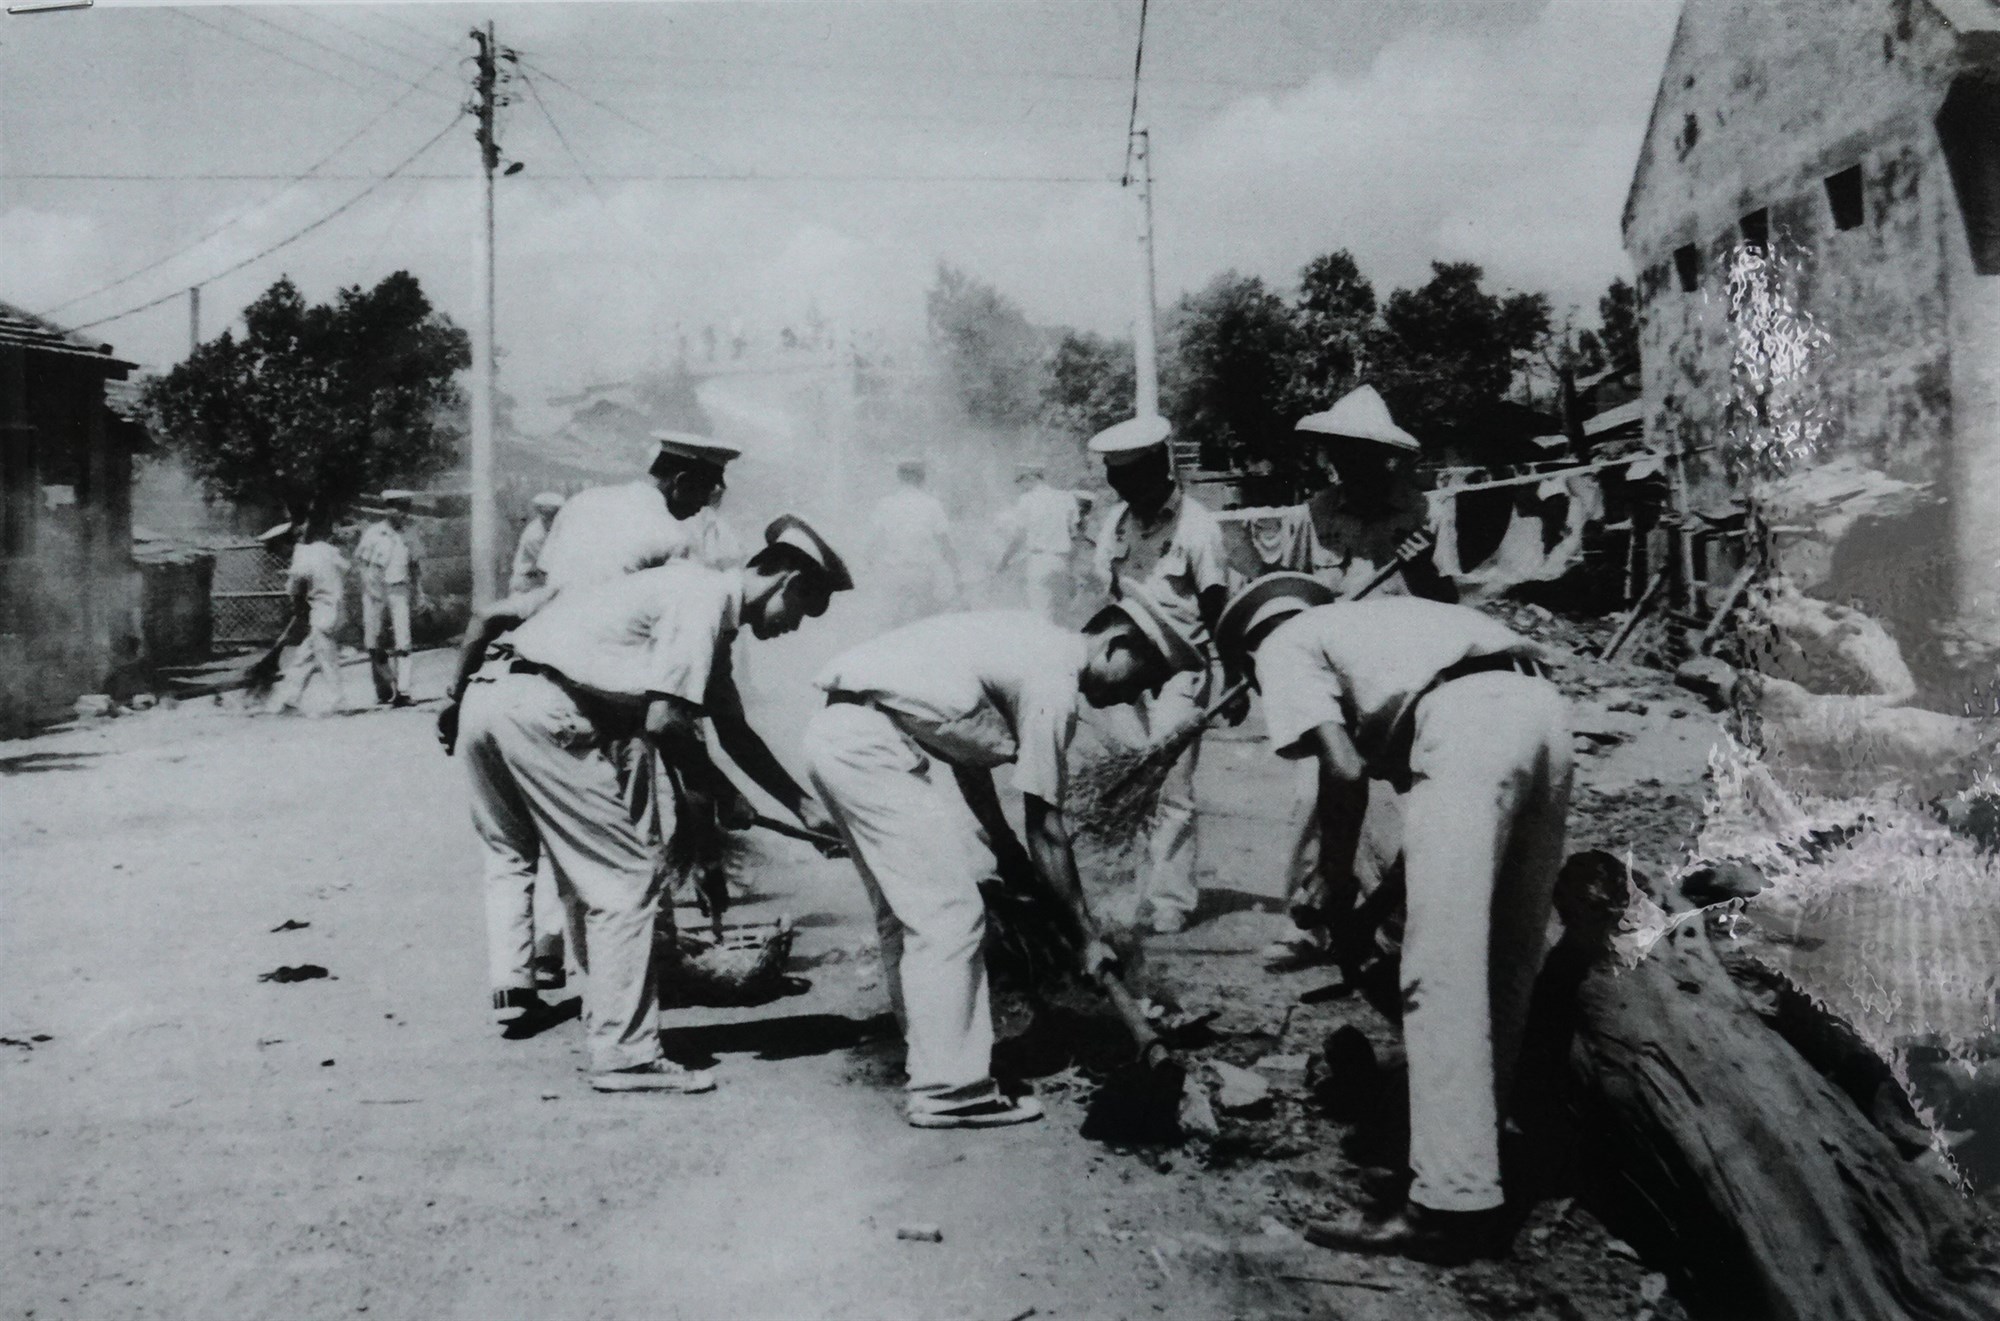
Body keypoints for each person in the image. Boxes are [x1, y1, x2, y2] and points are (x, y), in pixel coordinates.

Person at [1216, 573, 1571, 1263]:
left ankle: (1439, 1209)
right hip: (1544, 708)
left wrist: (1337, 878)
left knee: (1439, 973)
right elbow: (1428, 830)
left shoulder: (1282, 646)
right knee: (1504, 960)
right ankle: (1474, 1168)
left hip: (1468, 723)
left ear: (1246, 653)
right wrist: (1370, 907)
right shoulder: (1378, 629)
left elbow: (1342, 771)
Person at [437, 515, 851, 1092]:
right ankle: (625, 1056)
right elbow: (665, 724)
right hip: (540, 710)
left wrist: (805, 807)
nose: (794, 628)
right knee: (627, 879)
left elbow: (734, 731)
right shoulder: (703, 603)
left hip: (493, 695)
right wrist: (724, 792)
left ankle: (604, 1013)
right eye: (803, 611)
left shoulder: (700, 598)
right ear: (787, 581)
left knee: (577, 876)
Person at [803, 584, 1204, 1128]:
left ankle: (931, 1057)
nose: (1141, 695)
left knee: (907, 917)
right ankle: (950, 1090)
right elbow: (1047, 825)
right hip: (869, 745)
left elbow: (965, 755)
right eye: (1145, 678)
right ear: (1118, 643)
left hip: (841, 733)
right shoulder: (1054, 681)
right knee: (950, 916)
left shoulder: (1031, 642)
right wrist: (1086, 938)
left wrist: (1004, 847)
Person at [1086, 414, 1242, 935]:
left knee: (1171, 785)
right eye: (1115, 480)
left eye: (1130, 478)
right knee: (1131, 777)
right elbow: (1109, 594)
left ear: (1159, 467)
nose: (1122, 490)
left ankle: (1171, 897)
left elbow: (1218, 605)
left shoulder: (1198, 527)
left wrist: (1232, 676)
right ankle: (1136, 891)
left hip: (1183, 669)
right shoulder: (1117, 522)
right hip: (1129, 666)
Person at [1295, 387, 1457, 604]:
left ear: (1384, 455)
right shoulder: (1316, 514)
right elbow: (1295, 594)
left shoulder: (1426, 515)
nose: (1348, 463)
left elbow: (1451, 605)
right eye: (1340, 451)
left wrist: (1424, 571)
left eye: (1361, 453)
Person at [536, 431, 741, 590]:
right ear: (681, 482)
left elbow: (545, 570)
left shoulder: (583, 500)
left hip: (551, 629)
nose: (705, 502)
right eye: (705, 489)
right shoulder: (673, 538)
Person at [863, 456, 964, 628]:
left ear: (900, 477)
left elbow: (872, 541)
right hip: (921, 572)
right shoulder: (932, 504)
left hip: (892, 572)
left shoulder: (885, 504)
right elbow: (944, 542)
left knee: (891, 623)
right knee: (922, 624)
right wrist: (956, 573)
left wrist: (868, 566)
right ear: (921, 478)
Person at [267, 519, 349, 714]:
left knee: (326, 660)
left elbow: (295, 597)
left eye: (278, 550)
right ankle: (290, 700)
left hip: (323, 613)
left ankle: (338, 701)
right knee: (303, 658)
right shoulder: (323, 549)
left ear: (285, 545)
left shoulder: (299, 565)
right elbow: (346, 567)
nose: (280, 555)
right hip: (339, 609)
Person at [993, 461, 1088, 622]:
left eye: (1021, 481)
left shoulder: (1026, 500)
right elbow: (1075, 534)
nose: (1021, 487)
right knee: (1060, 614)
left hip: (1039, 563)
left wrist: (1004, 561)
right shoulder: (1066, 497)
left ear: (1030, 478)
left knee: (1041, 615)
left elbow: (1020, 537)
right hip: (1062, 562)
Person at [354, 491, 424, 706]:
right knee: (373, 641)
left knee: (403, 641)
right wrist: (370, 589)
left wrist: (419, 593)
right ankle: (384, 688)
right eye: (397, 507)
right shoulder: (374, 533)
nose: (402, 513)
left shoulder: (410, 534)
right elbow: (362, 565)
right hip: (375, 591)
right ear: (387, 508)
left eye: (405, 508)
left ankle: (403, 691)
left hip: (399, 590)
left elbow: (414, 567)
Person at [509, 492, 566, 595]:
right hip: (527, 582)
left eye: (553, 515)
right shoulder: (534, 535)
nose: (550, 519)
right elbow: (546, 565)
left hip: (541, 580)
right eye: (547, 516)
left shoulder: (557, 529)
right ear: (541, 514)